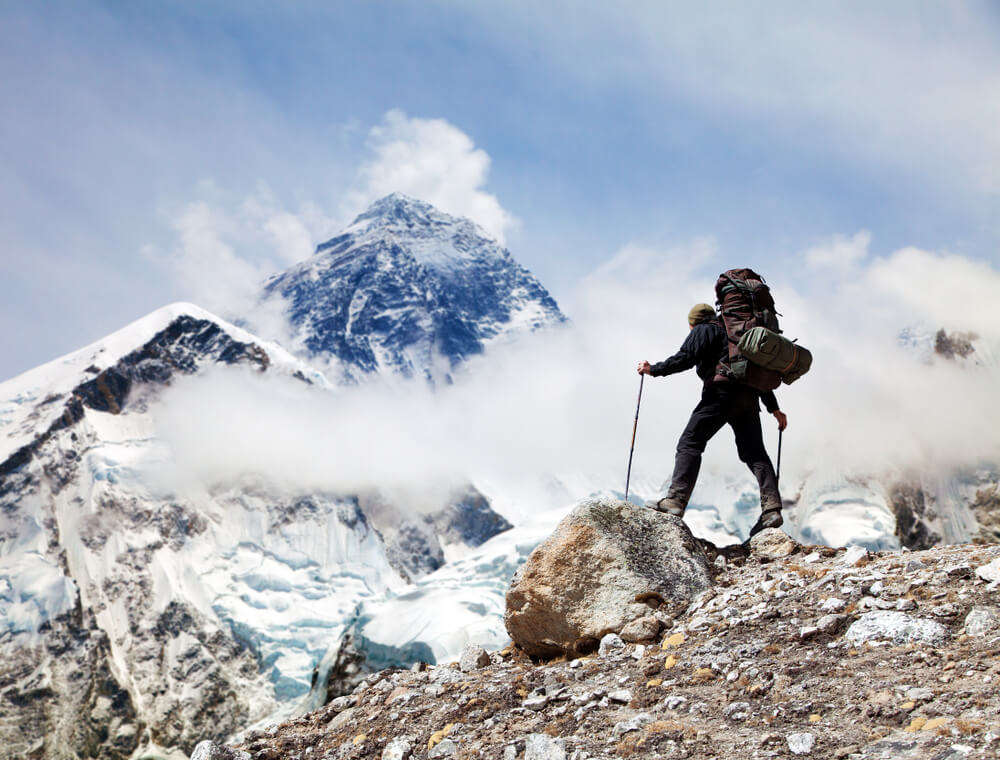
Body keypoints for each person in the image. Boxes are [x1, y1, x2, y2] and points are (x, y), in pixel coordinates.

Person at [637, 303, 787, 537]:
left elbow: (685, 358)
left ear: (692, 323)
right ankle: (772, 510)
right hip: (748, 398)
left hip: (719, 395)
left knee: (690, 443)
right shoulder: (739, 337)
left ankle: (675, 500)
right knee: (755, 452)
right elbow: (755, 375)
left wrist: (653, 369)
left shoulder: (703, 329)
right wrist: (774, 410)